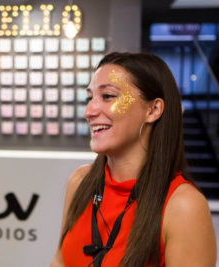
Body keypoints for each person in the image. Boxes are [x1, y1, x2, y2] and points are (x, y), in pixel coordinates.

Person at [50, 52, 216, 267]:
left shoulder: (183, 206)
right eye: (89, 97)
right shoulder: (80, 181)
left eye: (108, 96)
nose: (89, 110)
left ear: (153, 110)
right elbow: (59, 261)